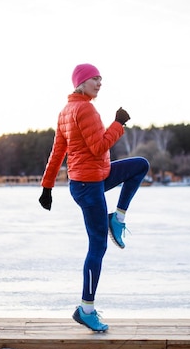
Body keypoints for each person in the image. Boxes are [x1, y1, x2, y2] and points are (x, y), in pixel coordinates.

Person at [38, 63, 150, 332]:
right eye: (94, 79)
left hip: (93, 178)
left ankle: (118, 218)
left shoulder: (66, 111)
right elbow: (99, 145)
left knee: (139, 165)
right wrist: (119, 123)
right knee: (98, 246)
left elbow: (57, 152)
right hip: (89, 186)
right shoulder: (84, 108)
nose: (99, 83)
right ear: (81, 83)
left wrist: (47, 186)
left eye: (101, 79)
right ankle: (85, 309)